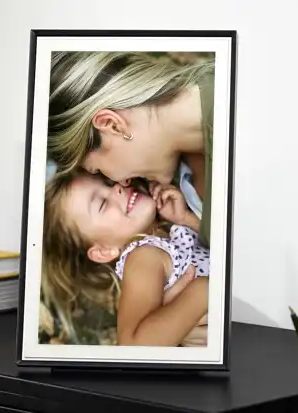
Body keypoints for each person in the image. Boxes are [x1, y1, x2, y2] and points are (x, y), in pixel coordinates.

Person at [47, 51, 215, 248]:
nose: (124, 183)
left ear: (113, 125)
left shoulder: (243, 122)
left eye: (99, 171)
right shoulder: (177, 181)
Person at [41, 170, 209, 346]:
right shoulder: (142, 257)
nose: (118, 188)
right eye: (103, 204)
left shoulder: (166, 238)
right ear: (103, 252)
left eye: (108, 183)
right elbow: (132, 346)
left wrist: (187, 219)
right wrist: (205, 290)